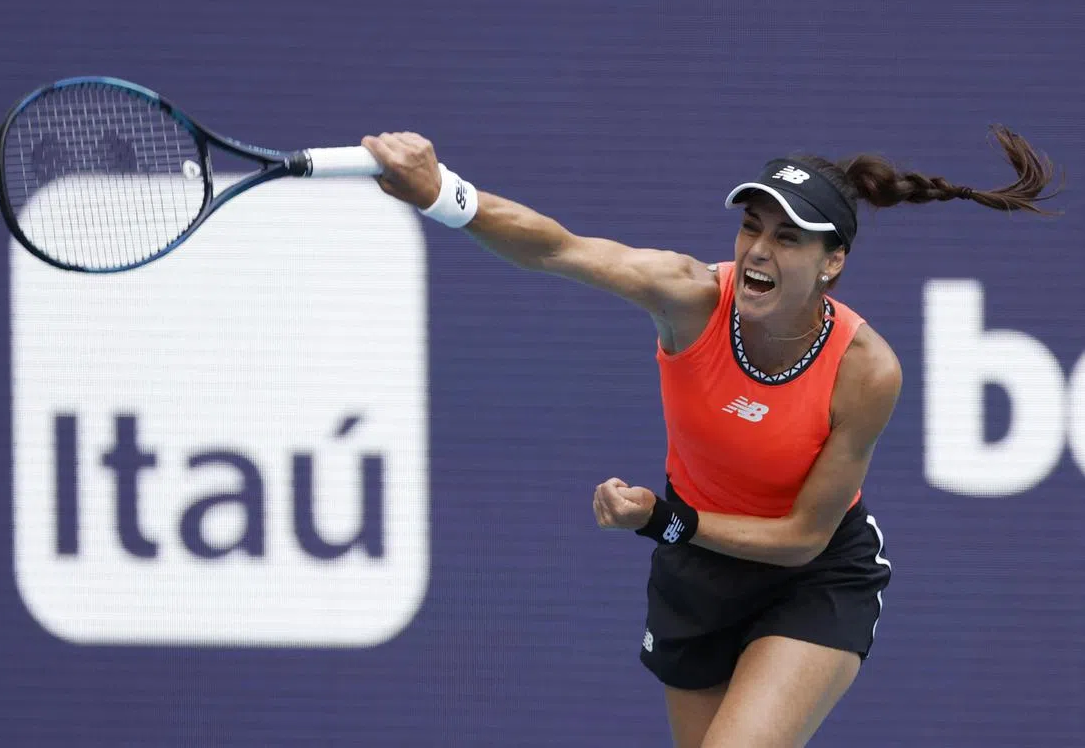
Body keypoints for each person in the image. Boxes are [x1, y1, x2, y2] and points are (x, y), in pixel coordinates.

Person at [360, 127, 1058, 747]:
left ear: (831, 262)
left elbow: (802, 539)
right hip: (695, 574)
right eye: (752, 226)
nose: (759, 249)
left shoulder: (866, 371)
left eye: (787, 237)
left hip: (813, 575)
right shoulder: (687, 296)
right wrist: (442, 193)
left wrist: (665, 522)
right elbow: (556, 249)